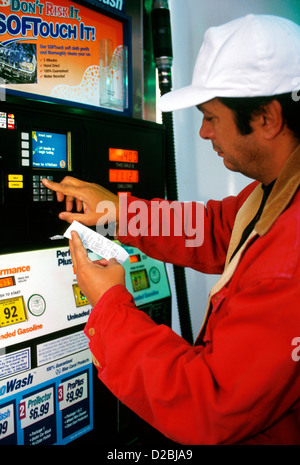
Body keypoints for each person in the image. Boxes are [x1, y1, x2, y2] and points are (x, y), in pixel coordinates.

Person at [42, 14, 300, 445]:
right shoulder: (278, 191)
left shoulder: (288, 265)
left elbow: (209, 405)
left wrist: (109, 305)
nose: (202, 132)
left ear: (267, 118)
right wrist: (116, 212)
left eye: (211, 118)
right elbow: (217, 229)